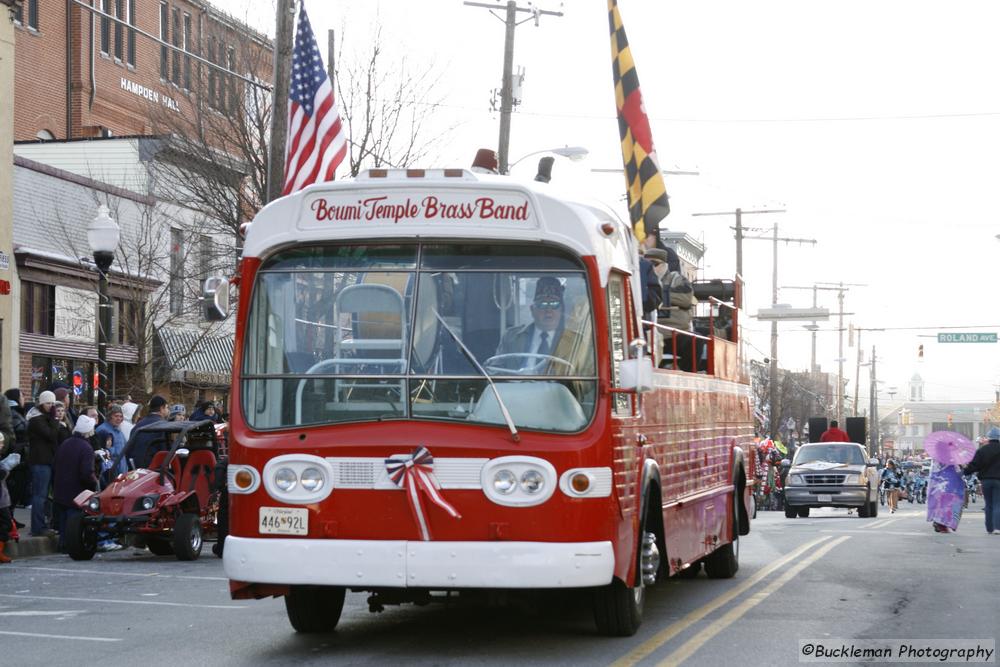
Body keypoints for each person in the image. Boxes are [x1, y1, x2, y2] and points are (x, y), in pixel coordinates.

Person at [496, 277, 590, 374]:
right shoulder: (511, 337)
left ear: (561, 310)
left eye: (554, 304)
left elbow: (586, 378)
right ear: (532, 310)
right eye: (542, 304)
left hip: (557, 389)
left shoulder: (576, 343)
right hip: (515, 388)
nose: (548, 310)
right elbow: (494, 372)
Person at [52, 415, 99, 552]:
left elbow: (55, 465)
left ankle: (62, 544)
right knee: (73, 522)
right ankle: (69, 545)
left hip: (60, 488)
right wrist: (94, 484)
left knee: (63, 521)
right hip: (77, 491)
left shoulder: (65, 443)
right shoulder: (86, 448)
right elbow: (86, 472)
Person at [26, 391, 63, 536]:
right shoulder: (36, 420)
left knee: (45, 496)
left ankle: (45, 523)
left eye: (53, 403)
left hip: (48, 460)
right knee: (39, 495)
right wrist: (55, 419)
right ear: (41, 403)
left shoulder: (44, 418)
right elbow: (51, 435)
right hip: (40, 462)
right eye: (48, 403)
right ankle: (37, 527)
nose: (51, 406)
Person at [964, 426, 1000, 534]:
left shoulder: (982, 450)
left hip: (986, 481)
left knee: (988, 504)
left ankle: (990, 528)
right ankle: (998, 528)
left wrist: (965, 471)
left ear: (988, 438)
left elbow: (974, 465)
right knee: (998, 503)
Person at [130, 396, 170, 469]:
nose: (168, 410)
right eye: (167, 408)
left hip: (136, 469)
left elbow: (129, 449)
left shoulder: (137, 426)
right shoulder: (164, 425)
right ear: (162, 408)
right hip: (155, 469)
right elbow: (164, 450)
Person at [95, 405, 127, 482]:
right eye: (116, 416)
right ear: (109, 416)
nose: (119, 418)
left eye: (120, 416)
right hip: (110, 471)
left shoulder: (119, 431)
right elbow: (102, 453)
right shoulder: (103, 430)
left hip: (121, 469)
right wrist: (109, 469)